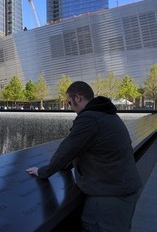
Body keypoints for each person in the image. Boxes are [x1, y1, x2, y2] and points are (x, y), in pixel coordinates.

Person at [26, 81, 141, 231]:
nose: (69, 107)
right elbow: (81, 147)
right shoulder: (106, 113)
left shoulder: (89, 119)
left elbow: (67, 149)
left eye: (69, 102)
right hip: (122, 189)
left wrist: (42, 172)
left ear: (78, 98)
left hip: (109, 196)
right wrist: (67, 165)